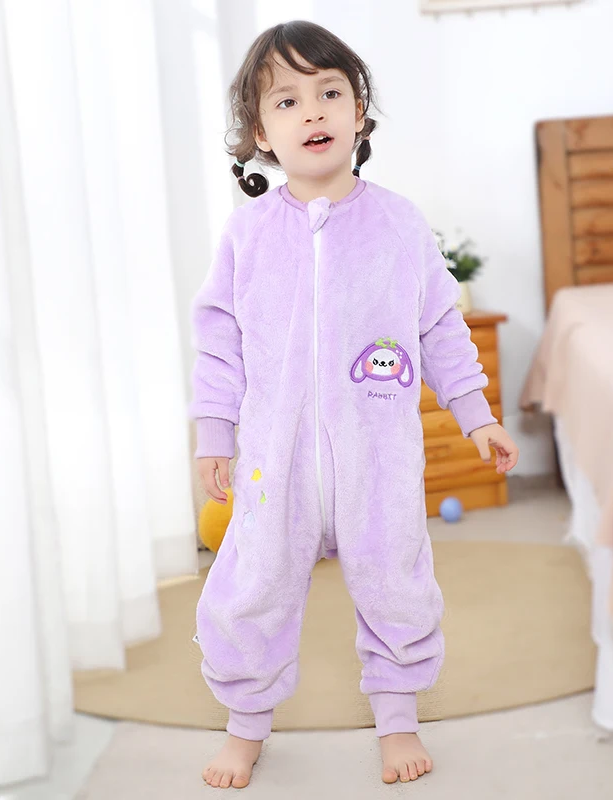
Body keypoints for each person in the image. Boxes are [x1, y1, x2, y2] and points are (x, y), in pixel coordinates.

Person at [189, 19, 519, 790]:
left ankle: (397, 718)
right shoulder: (247, 235)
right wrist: (214, 432)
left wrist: (477, 414)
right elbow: (219, 341)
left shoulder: (398, 224)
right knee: (253, 586)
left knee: (395, 578)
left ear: (358, 112)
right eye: (287, 101)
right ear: (260, 134)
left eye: (329, 93)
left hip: (377, 455)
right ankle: (246, 724)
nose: (312, 112)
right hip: (276, 461)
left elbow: (439, 327)